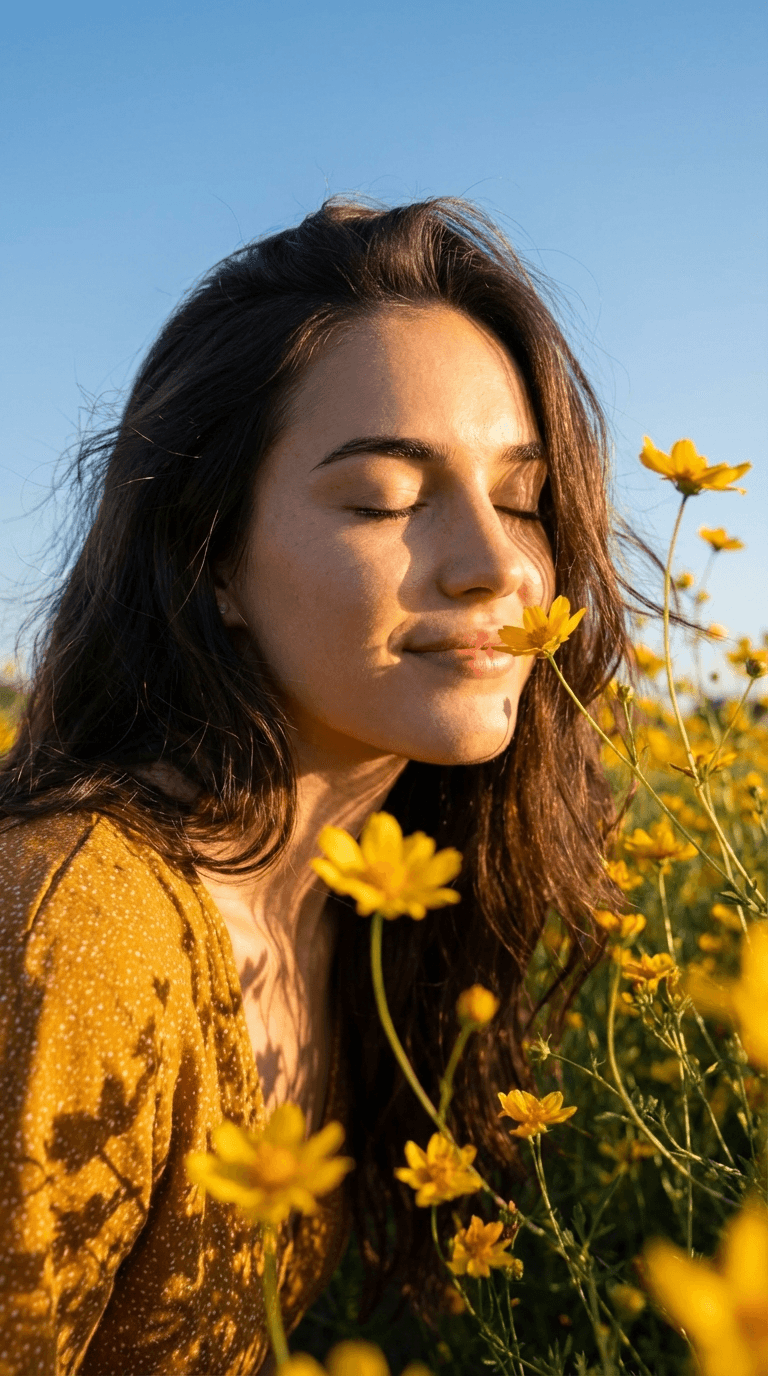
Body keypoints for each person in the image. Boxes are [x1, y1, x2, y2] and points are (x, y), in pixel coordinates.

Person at [0, 196, 630, 1374]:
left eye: (522, 500)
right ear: (214, 557)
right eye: (387, 499)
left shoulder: (359, 906)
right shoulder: (80, 926)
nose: (495, 564)